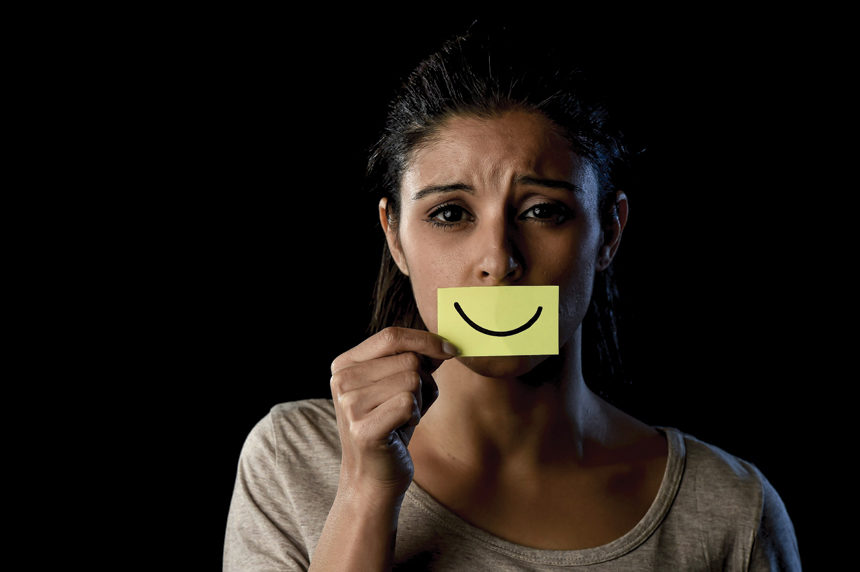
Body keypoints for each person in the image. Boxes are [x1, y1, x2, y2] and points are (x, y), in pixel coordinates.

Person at [224, 22, 801, 571]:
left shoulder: (732, 511)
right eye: (450, 214)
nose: (498, 258)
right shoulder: (289, 460)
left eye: (543, 211)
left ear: (610, 231)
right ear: (394, 237)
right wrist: (364, 493)